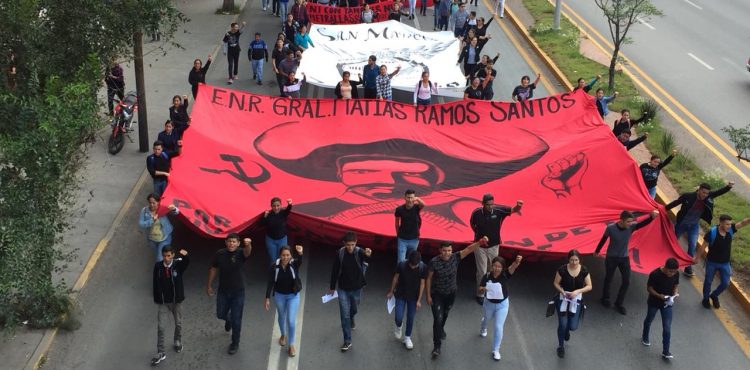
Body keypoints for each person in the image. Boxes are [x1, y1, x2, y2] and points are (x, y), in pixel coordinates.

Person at [427, 237, 488, 357]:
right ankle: (437, 346)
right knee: (437, 319)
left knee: (445, 314)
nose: (447, 253)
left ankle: (441, 329)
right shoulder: (434, 262)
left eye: (449, 250)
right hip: (437, 294)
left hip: (451, 293)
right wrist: (428, 295)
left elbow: (469, 249)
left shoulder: (455, 257)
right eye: (444, 250)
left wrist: (480, 243)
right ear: (440, 250)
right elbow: (428, 278)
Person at [594, 210, 658, 315]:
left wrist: (651, 217)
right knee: (608, 279)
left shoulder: (631, 227)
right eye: (628, 221)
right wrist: (597, 251)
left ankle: (619, 303)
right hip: (611, 257)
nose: (630, 224)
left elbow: (642, 224)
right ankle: (605, 298)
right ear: (621, 220)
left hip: (624, 258)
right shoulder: (610, 228)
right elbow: (603, 239)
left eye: (631, 221)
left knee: (627, 281)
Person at [666, 181, 734, 276]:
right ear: (699, 190)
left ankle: (688, 268)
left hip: (694, 226)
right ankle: (666, 259)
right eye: (703, 192)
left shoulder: (708, 197)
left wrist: (728, 187)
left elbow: (719, 192)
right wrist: (663, 209)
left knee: (692, 246)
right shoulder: (688, 196)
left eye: (707, 193)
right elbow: (675, 203)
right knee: (672, 242)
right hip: (681, 224)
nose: (705, 195)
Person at [470, 193, 522, 304]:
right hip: (480, 246)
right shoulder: (476, 213)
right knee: (482, 271)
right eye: (488, 205)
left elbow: (513, 210)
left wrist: (519, 206)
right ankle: (480, 294)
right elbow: (472, 224)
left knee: (492, 269)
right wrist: (478, 236)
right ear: (482, 203)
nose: (491, 207)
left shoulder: (499, 211)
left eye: (492, 204)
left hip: (494, 246)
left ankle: (490, 290)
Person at [206, 234, 253, 355]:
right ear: (226, 242)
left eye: (234, 242)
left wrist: (248, 245)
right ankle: (229, 320)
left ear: (238, 244)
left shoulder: (241, 253)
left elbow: (248, 253)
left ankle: (235, 343)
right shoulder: (220, 254)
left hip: (238, 292)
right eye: (229, 241)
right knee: (220, 314)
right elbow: (213, 268)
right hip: (223, 291)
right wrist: (209, 285)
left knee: (237, 319)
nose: (231, 243)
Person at [329, 231, 372, 352]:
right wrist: (332, 286)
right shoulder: (340, 253)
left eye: (353, 244)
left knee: (354, 309)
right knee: (344, 315)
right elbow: (335, 270)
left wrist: (368, 254)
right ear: (344, 244)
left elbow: (367, 257)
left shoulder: (359, 252)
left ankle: (352, 318)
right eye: (348, 245)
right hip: (342, 289)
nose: (350, 247)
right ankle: (347, 341)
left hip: (357, 288)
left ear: (356, 243)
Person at [150, 246, 189, 366]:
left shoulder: (178, 265)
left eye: (169, 256)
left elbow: (186, 263)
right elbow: (155, 283)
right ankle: (160, 352)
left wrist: (186, 256)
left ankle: (177, 341)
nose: (166, 258)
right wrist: (157, 298)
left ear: (173, 255)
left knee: (178, 323)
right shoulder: (158, 267)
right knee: (161, 327)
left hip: (176, 301)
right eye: (164, 256)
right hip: (163, 303)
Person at [702, 214, 750, 308]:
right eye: (727, 224)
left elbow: (743, 222)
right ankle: (706, 299)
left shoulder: (731, 229)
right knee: (708, 281)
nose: (729, 226)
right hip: (712, 262)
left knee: (725, 283)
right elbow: (704, 246)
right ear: (720, 223)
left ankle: (714, 295)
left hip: (725, 263)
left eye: (730, 224)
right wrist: (696, 258)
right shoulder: (712, 232)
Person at [479, 255, 522, 361]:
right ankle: (483, 327)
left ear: (502, 268)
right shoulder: (487, 276)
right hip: (488, 303)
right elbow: (479, 290)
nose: (496, 268)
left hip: (502, 305)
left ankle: (496, 350)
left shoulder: (505, 275)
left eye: (499, 266)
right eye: (494, 266)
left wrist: (517, 261)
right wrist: (484, 288)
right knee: (486, 319)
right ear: (491, 266)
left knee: (498, 327)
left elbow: (513, 267)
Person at [265, 244, 304, 357]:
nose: (285, 257)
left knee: (291, 320)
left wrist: (300, 253)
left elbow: (300, 260)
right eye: (283, 255)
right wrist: (267, 297)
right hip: (279, 295)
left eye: (288, 255)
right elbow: (270, 282)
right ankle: (283, 335)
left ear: (291, 255)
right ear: (280, 255)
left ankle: (291, 344)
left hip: (293, 296)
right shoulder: (274, 266)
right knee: (281, 316)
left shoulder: (294, 264)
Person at [552, 249, 592, 359]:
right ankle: (561, 346)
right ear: (568, 260)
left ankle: (566, 331)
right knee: (562, 323)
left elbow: (589, 286)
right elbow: (556, 283)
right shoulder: (562, 270)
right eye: (571, 260)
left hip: (576, 300)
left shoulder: (584, 270)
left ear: (580, 260)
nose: (574, 263)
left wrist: (578, 291)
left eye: (576, 260)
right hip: (563, 298)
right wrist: (562, 291)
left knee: (573, 326)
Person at [386, 250, 426, 350]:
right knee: (398, 317)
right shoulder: (402, 265)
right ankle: (399, 326)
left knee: (410, 317)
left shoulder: (422, 267)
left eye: (415, 265)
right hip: (400, 294)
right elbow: (395, 278)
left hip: (413, 297)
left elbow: (422, 283)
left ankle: (407, 337)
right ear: (408, 261)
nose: (412, 267)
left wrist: (419, 300)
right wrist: (391, 291)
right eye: (411, 265)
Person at [642, 258, 679, 360]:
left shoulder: (676, 274)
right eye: (670, 271)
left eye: (674, 272)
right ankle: (645, 336)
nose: (672, 274)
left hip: (667, 304)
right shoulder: (655, 274)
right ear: (665, 267)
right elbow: (649, 288)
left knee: (667, 327)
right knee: (649, 319)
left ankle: (666, 351)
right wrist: (659, 296)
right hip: (654, 302)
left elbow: (676, 286)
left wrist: (675, 293)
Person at [138, 194, 180, 261]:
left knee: (159, 258)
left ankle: (165, 269)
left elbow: (176, 212)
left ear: (158, 202)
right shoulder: (144, 210)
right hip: (152, 239)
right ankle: (167, 264)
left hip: (165, 238)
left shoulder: (162, 208)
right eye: (150, 202)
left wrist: (174, 209)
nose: (151, 205)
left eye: (153, 203)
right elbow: (141, 224)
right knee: (159, 254)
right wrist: (152, 220)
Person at [394, 189, 425, 263]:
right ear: (405, 197)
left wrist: (417, 199)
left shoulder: (416, 208)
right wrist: (398, 234)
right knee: (401, 260)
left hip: (414, 239)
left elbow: (423, 205)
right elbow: (396, 222)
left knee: (411, 259)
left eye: (412, 198)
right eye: (408, 197)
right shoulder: (399, 209)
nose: (410, 200)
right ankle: (400, 273)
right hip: (402, 239)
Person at [263, 197, 293, 264]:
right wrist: (265, 216)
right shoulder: (268, 214)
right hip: (270, 240)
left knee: (282, 258)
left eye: (278, 205)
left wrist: (290, 204)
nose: (276, 208)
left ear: (281, 205)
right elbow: (261, 224)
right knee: (273, 259)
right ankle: (274, 272)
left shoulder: (283, 213)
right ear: (271, 206)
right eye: (274, 206)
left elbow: (288, 209)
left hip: (282, 239)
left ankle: (281, 272)